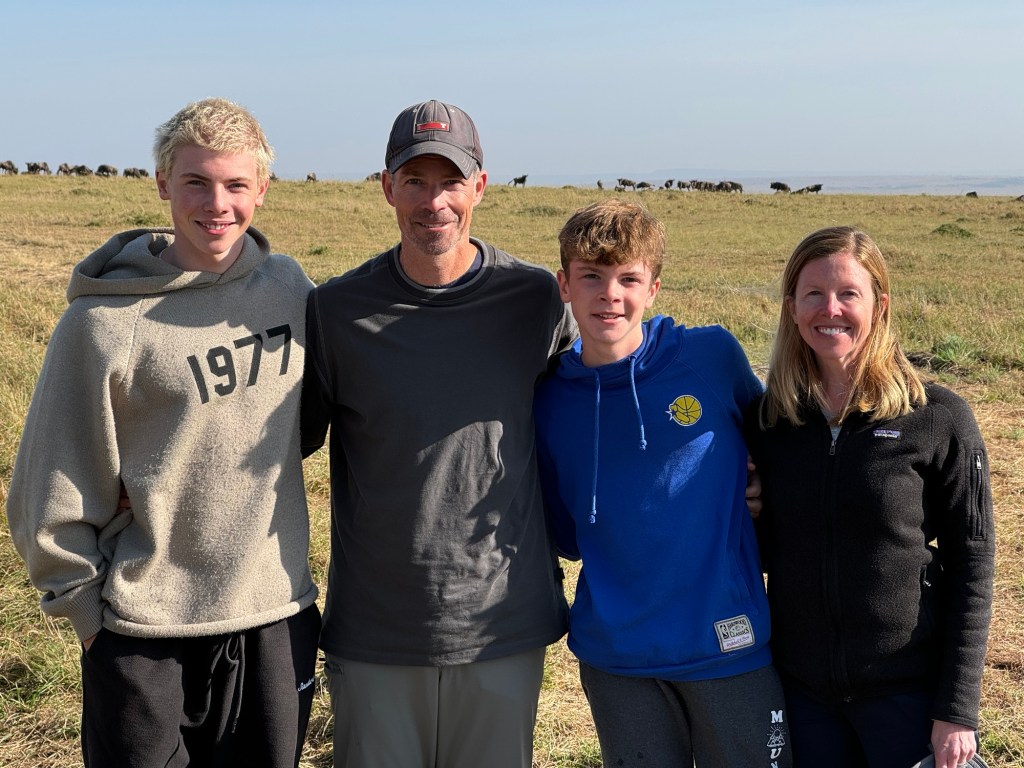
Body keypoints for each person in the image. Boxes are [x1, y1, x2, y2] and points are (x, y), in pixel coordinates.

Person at [6, 98, 321, 768]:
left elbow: (313, 420)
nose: (217, 204)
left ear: (262, 189)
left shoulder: (291, 289)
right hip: (145, 631)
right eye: (196, 182)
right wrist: (87, 618)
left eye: (236, 184)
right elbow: (47, 485)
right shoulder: (102, 324)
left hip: (275, 614)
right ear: (161, 183)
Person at [300, 100, 577, 768]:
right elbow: (279, 444)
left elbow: (598, 407)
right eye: (415, 182)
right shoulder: (335, 310)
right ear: (387, 187)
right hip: (377, 629)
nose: (434, 202)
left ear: (480, 186)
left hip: (503, 622)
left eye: (450, 181)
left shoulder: (536, 299)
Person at [534, 199, 792, 767]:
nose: (610, 295)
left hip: (726, 642)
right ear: (564, 285)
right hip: (617, 657)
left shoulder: (710, 357)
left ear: (653, 288)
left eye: (629, 278)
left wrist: (758, 490)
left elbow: (778, 449)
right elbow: (566, 534)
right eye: (591, 276)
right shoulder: (550, 399)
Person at [747, 226, 995, 768]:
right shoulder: (769, 422)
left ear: (880, 305)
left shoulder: (937, 417)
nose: (830, 309)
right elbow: (769, 554)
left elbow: (973, 566)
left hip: (907, 694)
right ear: (792, 308)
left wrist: (957, 710)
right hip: (803, 696)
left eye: (848, 293)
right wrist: (751, 514)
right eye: (813, 294)